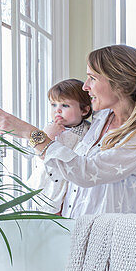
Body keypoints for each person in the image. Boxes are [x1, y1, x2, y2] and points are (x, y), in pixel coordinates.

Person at [0, 44, 136, 218]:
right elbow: (70, 166)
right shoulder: (102, 118)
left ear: (117, 84)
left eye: (92, 78)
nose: (85, 86)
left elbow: (85, 172)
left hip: (106, 243)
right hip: (75, 230)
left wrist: (29, 132)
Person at [35, 78, 92, 211]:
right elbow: (40, 155)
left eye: (65, 106)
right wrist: (48, 136)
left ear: (84, 110)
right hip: (49, 185)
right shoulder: (50, 129)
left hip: (71, 184)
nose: (57, 110)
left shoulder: (88, 132)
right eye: (53, 105)